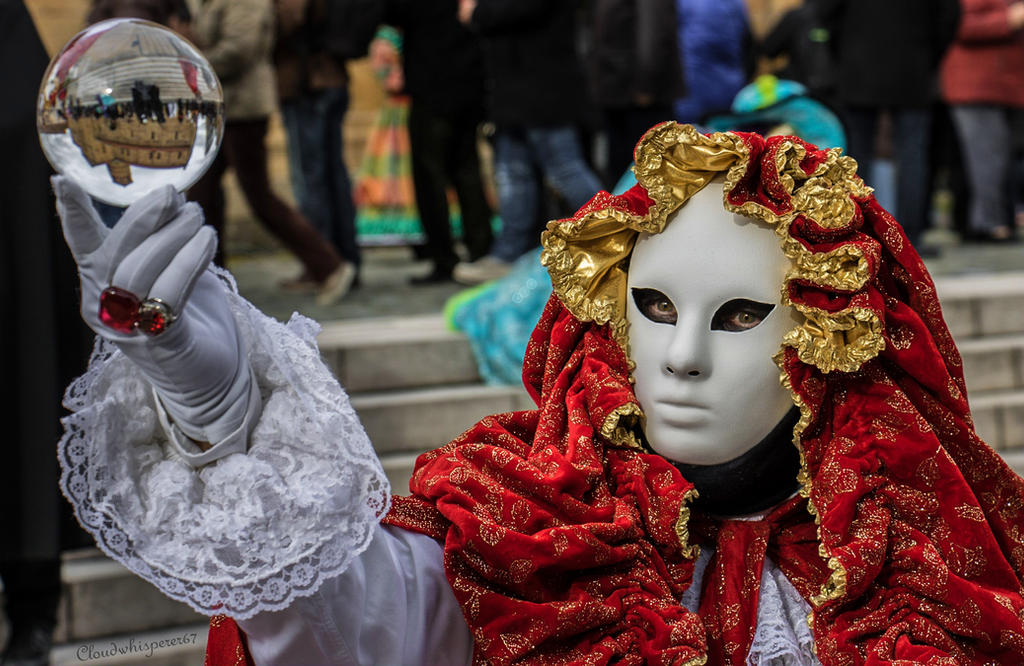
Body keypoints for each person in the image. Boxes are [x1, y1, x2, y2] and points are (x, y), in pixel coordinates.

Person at [53, 122, 1024, 664]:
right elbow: (355, 620)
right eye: (651, 307)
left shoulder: (934, 568)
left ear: (828, 342)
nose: (679, 358)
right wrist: (228, 416)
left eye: (736, 317)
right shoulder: (532, 521)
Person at [184, 0, 355, 304]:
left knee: (258, 195)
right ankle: (212, 282)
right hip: (217, 108)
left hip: (244, 108)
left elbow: (240, 49)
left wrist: (189, 67)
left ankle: (328, 265)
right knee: (202, 195)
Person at [452, 0, 602, 285]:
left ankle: (618, 234)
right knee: (512, 174)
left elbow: (517, 10)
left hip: (543, 91)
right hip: (514, 92)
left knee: (564, 170)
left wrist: (477, 12)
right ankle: (509, 255)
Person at [823, 0, 960, 254]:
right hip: (912, 68)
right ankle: (909, 238)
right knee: (912, 156)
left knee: (857, 156)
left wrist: (842, 52)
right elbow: (949, 17)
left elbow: (824, 14)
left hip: (859, 66)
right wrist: (927, 54)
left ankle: (859, 232)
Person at [384, 0, 495, 284]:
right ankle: (480, 250)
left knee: (430, 175)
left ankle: (444, 258)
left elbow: (395, 11)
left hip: (433, 83)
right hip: (468, 80)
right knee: (466, 170)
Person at [274, 0, 363, 289]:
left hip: (309, 84)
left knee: (311, 178)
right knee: (333, 175)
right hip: (327, 78)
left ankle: (324, 264)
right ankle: (345, 259)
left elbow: (291, 18)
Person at [940, 0, 1024, 243]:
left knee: (999, 158)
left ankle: (998, 221)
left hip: (1005, 85)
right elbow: (962, 25)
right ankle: (986, 224)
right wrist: (1008, 19)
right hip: (976, 85)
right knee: (986, 160)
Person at [587, 0, 686, 188]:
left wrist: (646, 84)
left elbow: (653, 31)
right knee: (627, 176)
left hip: (638, 96)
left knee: (647, 176)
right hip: (621, 93)